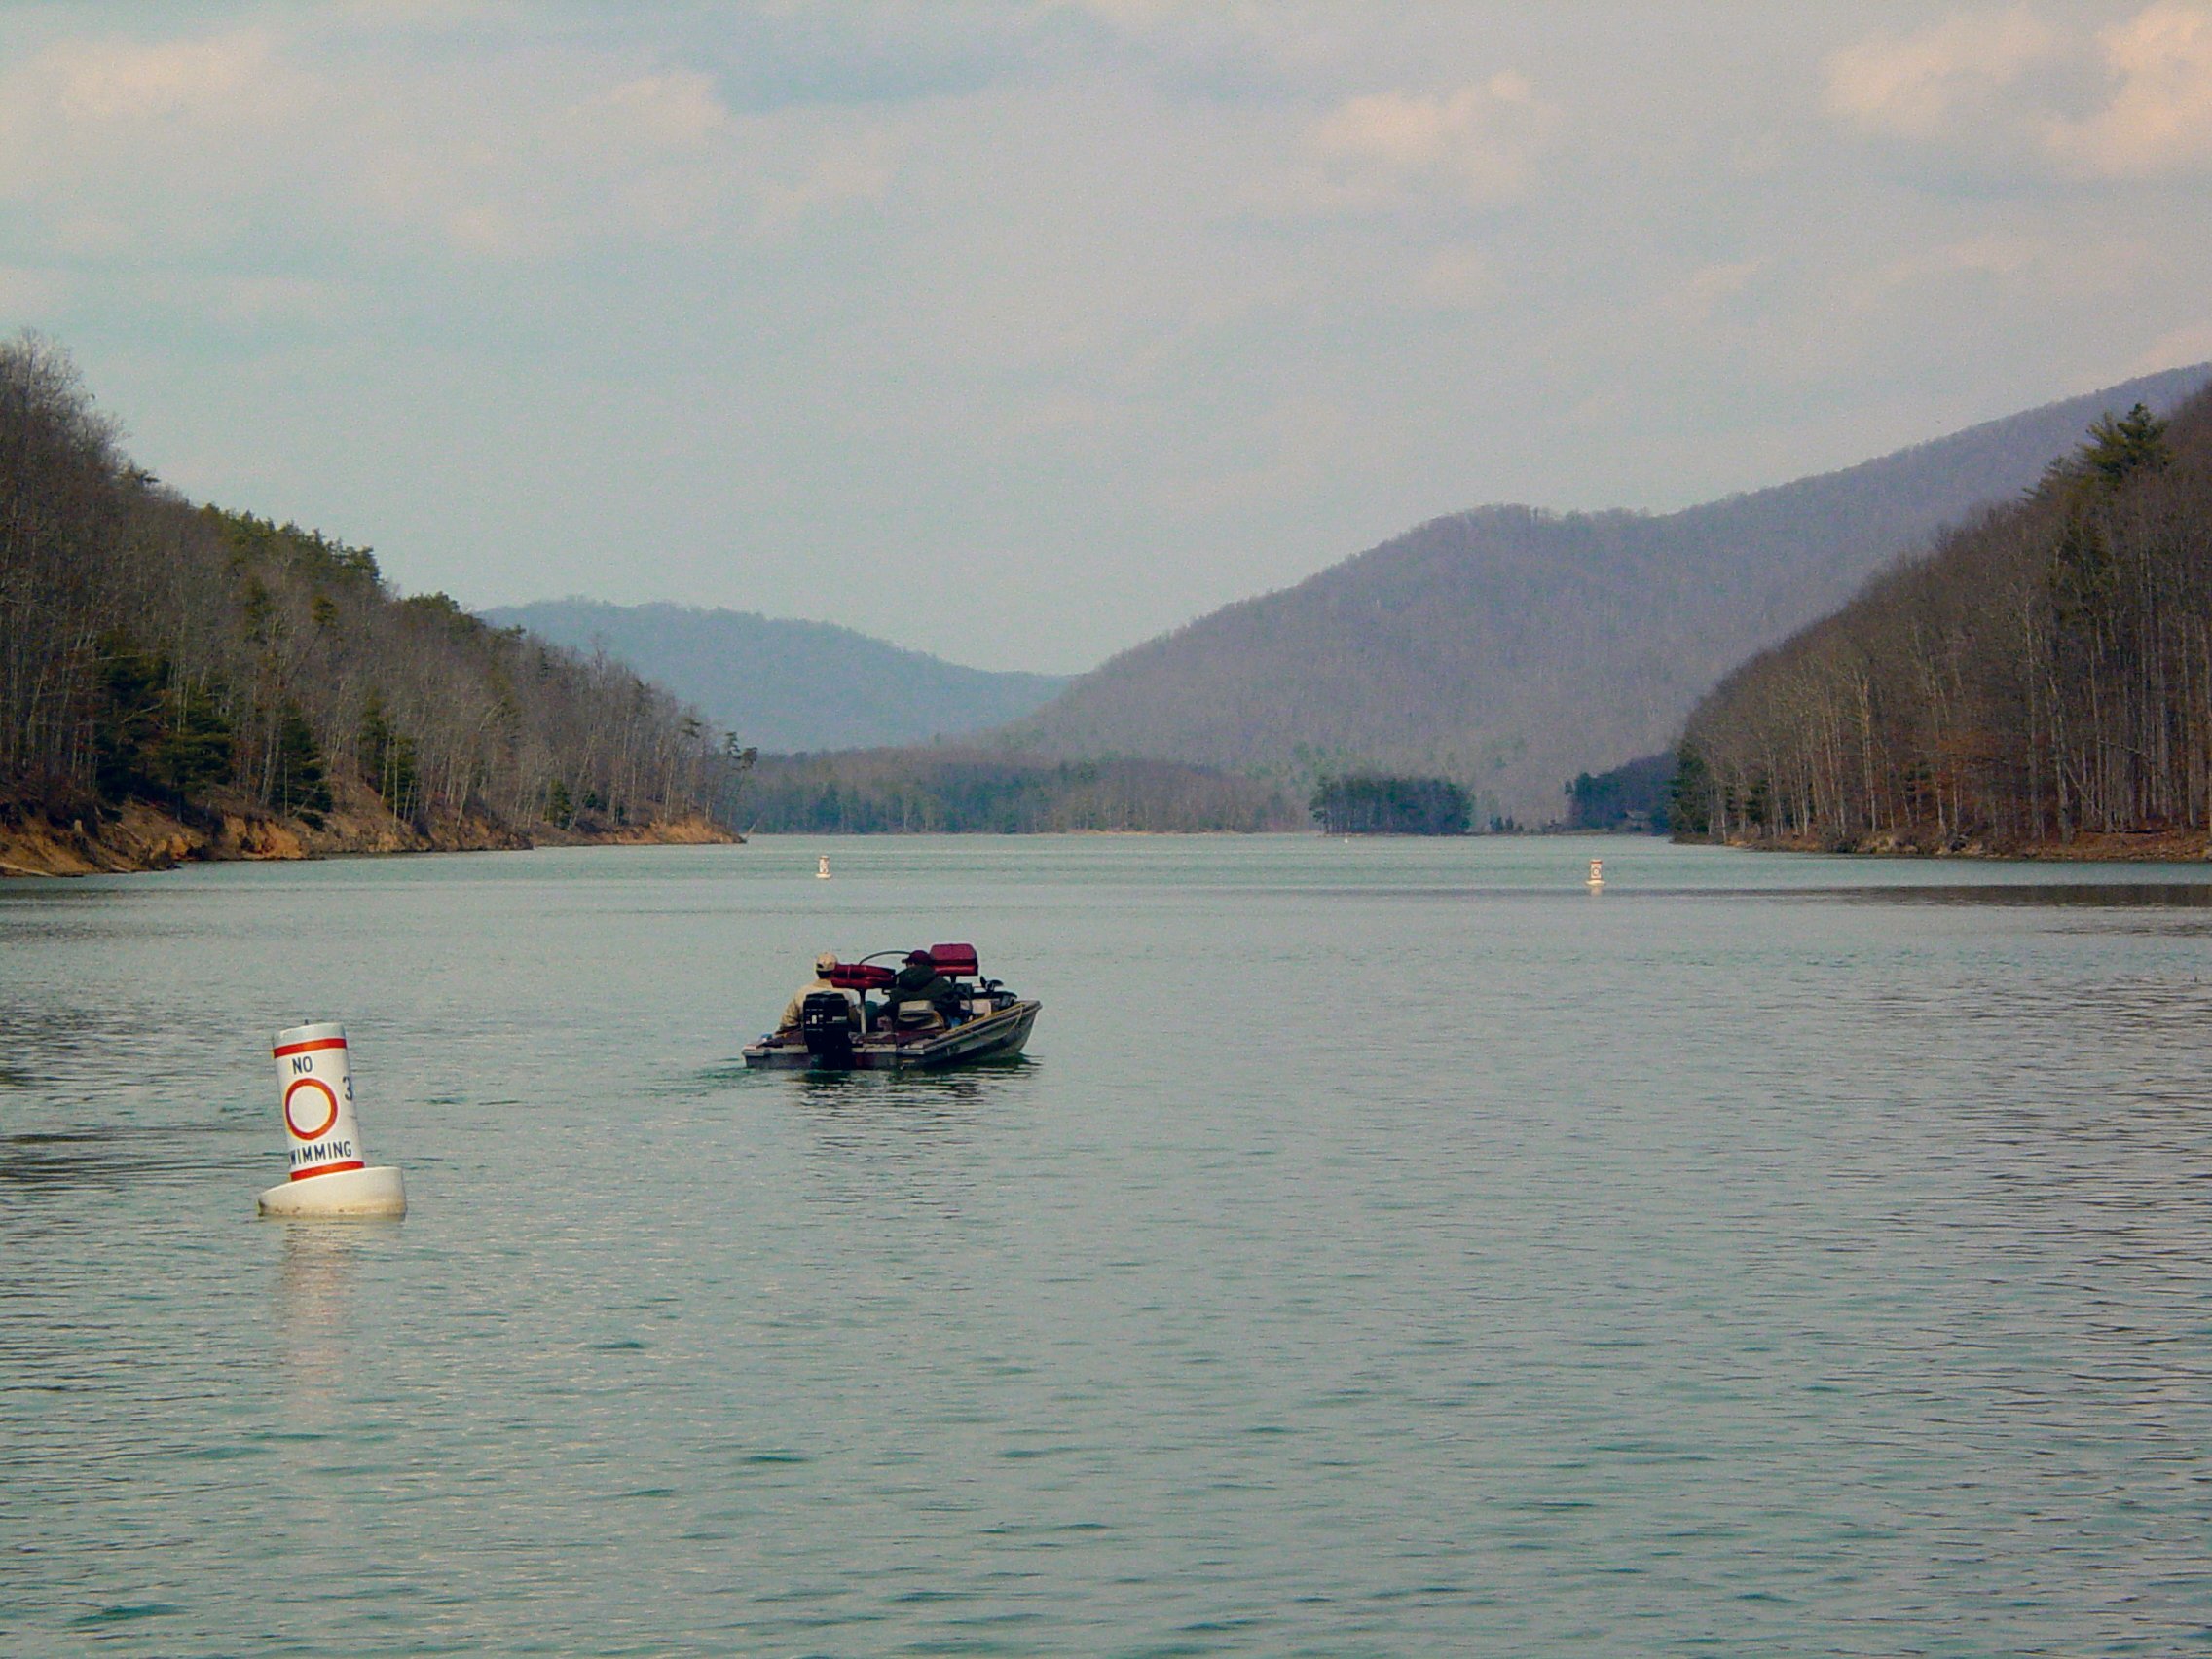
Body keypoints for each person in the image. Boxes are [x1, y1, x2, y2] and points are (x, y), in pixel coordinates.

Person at [877, 948, 964, 1031]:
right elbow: (954, 1005)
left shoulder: (899, 985)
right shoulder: (942, 983)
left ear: (911, 964)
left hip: (904, 1028)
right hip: (936, 1027)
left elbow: (891, 1007)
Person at [780, 951, 860, 1033]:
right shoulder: (844, 994)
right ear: (836, 971)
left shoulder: (802, 992)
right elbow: (853, 1021)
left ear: (816, 971)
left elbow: (787, 1023)